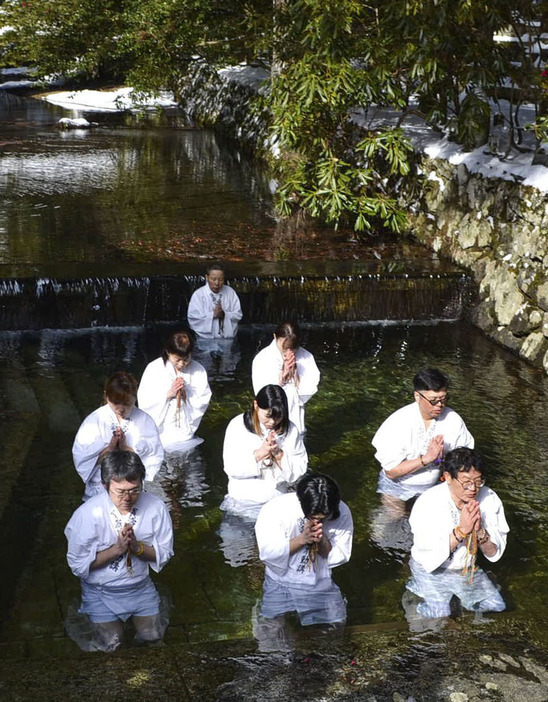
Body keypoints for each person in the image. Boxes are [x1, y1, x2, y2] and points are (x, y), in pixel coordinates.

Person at [64, 451, 174, 651]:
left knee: (153, 638)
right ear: (105, 486)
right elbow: (78, 566)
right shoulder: (87, 514)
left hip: (139, 587)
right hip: (100, 591)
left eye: (134, 490)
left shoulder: (156, 507)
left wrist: (136, 548)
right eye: (120, 492)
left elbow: (164, 554)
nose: (128, 498)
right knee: (112, 644)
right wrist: (116, 550)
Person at [406, 447, 508, 622]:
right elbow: (428, 556)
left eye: (478, 481)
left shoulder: (489, 499)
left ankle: (458, 600)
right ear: (447, 477)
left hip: (465, 569)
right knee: (439, 613)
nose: (473, 488)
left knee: (496, 606)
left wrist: (480, 532)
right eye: (466, 482)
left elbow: (493, 553)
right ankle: (415, 597)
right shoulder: (428, 502)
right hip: (430, 568)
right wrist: (461, 531)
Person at [254, 472, 353, 646]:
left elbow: (340, 555)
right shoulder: (275, 509)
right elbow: (269, 554)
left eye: (324, 518)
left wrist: (321, 539)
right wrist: (302, 539)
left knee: (337, 624)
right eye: (313, 517)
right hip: (280, 580)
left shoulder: (342, 511)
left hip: (319, 579)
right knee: (270, 630)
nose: (317, 521)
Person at [372, 368, 474, 515]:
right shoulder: (397, 423)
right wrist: (427, 459)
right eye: (433, 401)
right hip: (398, 485)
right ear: (417, 397)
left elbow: (466, 458)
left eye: (443, 399)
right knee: (393, 519)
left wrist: (446, 462)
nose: (439, 405)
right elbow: (392, 472)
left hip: (436, 484)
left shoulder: (452, 420)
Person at [220, 384, 308, 519]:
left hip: (276, 503)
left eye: (278, 416)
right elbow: (231, 468)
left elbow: (299, 469)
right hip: (243, 503)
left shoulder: (290, 430)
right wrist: (259, 454)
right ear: (256, 405)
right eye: (268, 415)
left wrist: (279, 456)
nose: (272, 421)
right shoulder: (237, 426)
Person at [72, 371, 164, 500]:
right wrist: (109, 449)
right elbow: (81, 459)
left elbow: (154, 457)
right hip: (100, 488)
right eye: (115, 403)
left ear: (135, 398)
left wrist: (127, 449)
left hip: (132, 489)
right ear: (106, 396)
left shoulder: (145, 421)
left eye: (127, 404)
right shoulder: (94, 420)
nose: (121, 409)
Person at [137, 331, 212, 452]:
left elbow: (202, 399)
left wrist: (186, 394)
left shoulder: (198, 370)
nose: (181, 364)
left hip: (184, 433)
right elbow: (145, 401)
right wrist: (168, 394)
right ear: (168, 352)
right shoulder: (154, 368)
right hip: (161, 434)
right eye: (177, 359)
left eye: (186, 359)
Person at [251, 321, 320, 435]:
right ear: (275, 337)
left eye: (292, 348)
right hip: (271, 419)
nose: (288, 352)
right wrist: (281, 378)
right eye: (284, 348)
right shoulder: (262, 359)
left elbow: (309, 390)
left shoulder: (306, 357)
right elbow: (262, 395)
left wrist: (295, 375)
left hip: (296, 417)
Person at [187, 262, 242, 339]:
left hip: (227, 340)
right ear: (207, 277)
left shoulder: (230, 292)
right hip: (205, 339)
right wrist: (213, 315)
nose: (217, 283)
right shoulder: (198, 295)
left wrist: (224, 314)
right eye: (213, 279)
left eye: (220, 279)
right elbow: (193, 318)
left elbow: (238, 315)